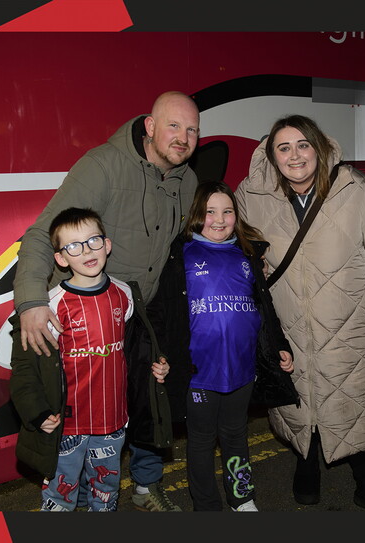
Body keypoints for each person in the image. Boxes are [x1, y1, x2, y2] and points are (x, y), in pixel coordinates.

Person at [11, 90, 201, 512]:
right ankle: (71, 492)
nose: (183, 137)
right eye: (173, 126)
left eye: (192, 130)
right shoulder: (103, 165)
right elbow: (42, 233)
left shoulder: (187, 181)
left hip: (139, 310)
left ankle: (146, 486)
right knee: (77, 411)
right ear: (150, 126)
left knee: (148, 398)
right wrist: (31, 302)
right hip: (85, 313)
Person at [234, 115, 365, 511]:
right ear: (272, 156)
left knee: (351, 400)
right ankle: (306, 465)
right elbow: (240, 252)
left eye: (303, 145)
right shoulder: (251, 195)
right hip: (287, 324)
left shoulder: (355, 189)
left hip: (349, 321)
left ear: (319, 148)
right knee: (298, 399)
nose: (295, 155)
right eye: (284, 148)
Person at [148, 181, 298, 512]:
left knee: (235, 434)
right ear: (196, 215)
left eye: (227, 211)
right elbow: (162, 313)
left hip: (242, 369)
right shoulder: (180, 255)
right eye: (210, 212)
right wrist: (160, 354)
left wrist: (279, 345)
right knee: (201, 441)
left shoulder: (247, 253)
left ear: (236, 215)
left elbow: (265, 307)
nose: (219, 220)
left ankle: (241, 497)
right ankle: (206, 505)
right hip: (199, 372)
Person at [9, 207, 168, 511]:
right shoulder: (50, 306)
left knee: (105, 492)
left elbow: (138, 347)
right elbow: (26, 368)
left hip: (112, 421)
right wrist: (37, 412)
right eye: (73, 246)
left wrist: (158, 364)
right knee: (60, 495)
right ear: (60, 259)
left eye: (93, 241)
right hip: (66, 426)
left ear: (107, 245)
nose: (86, 251)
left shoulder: (124, 295)